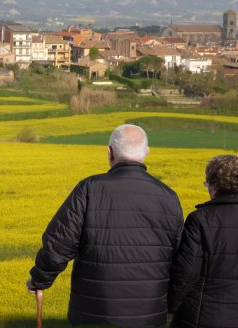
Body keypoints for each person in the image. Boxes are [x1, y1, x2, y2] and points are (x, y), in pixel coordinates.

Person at [27, 124, 183, 327]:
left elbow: (59, 244)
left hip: (93, 315)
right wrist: (169, 304)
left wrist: (40, 279)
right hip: (148, 316)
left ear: (109, 153)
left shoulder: (89, 189)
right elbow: (181, 258)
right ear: (146, 153)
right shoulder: (168, 196)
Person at [168, 154, 238, 328]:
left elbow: (186, 274)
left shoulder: (200, 220)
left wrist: (171, 305)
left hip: (201, 318)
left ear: (215, 185)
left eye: (207, 183)